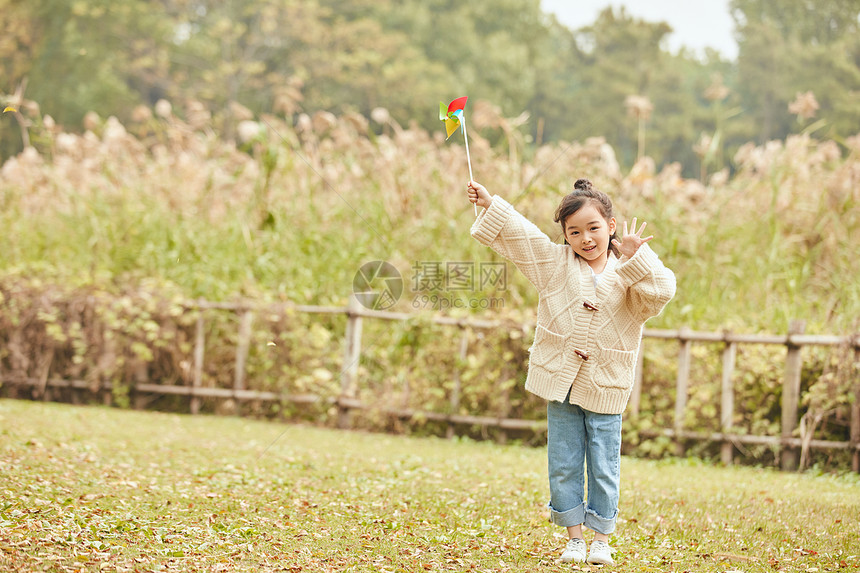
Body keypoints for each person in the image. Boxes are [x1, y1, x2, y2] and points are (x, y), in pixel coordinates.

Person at [466, 178, 676, 565]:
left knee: (603, 464)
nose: (586, 238)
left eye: (593, 228)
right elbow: (520, 235)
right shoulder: (554, 264)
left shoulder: (628, 272)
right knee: (562, 462)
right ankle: (574, 538)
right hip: (560, 382)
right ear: (565, 235)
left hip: (606, 383)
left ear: (611, 226)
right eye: (574, 231)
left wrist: (635, 259)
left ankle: (601, 539)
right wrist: (491, 202)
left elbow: (662, 291)